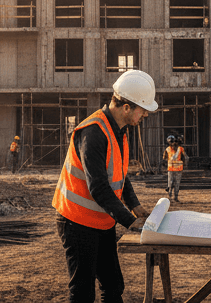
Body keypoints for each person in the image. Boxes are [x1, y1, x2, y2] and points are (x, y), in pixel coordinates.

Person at [52, 69, 158, 303]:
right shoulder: (94, 132)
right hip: (77, 221)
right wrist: (131, 222)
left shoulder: (119, 130)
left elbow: (118, 173)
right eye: (143, 109)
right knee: (82, 292)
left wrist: (135, 205)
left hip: (100, 220)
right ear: (127, 107)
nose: (145, 115)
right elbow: (98, 187)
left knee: (113, 286)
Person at [164, 135, 187, 203]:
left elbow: (164, 158)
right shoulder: (170, 149)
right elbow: (185, 157)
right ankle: (172, 197)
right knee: (173, 184)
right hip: (173, 169)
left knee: (172, 183)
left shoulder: (169, 149)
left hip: (175, 169)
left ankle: (173, 197)